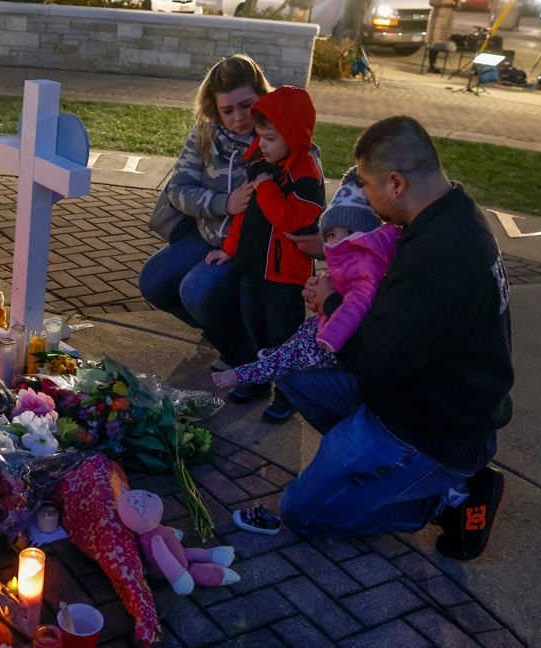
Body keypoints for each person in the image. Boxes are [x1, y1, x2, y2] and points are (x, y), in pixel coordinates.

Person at [257, 116, 513, 561]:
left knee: (302, 511)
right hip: (413, 389)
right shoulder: (450, 213)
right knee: (296, 369)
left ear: (396, 183)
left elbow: (374, 356)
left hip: (432, 429)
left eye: (370, 187)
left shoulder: (441, 257)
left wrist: (333, 302)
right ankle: (373, 471)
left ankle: (450, 496)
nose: (369, 202)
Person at [139, 55, 272, 400]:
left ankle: (247, 359)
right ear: (215, 108)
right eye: (228, 110)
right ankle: (221, 333)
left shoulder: (276, 135)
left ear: (262, 94)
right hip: (206, 235)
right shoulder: (205, 133)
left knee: (196, 291)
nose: (239, 117)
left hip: (248, 248)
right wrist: (222, 204)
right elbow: (178, 191)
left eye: (246, 105)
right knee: (153, 280)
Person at [213, 167, 398, 394]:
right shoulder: (353, 258)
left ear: (368, 233)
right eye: (331, 234)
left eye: (348, 231)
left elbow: (357, 305)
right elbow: (341, 286)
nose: (338, 239)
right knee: (300, 334)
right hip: (329, 324)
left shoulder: (365, 266)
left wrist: (330, 339)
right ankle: (278, 356)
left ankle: (244, 374)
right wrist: (320, 286)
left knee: (293, 355)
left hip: (338, 342)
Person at [205, 85, 324, 422]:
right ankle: (258, 380)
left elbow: (289, 218)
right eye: (261, 137)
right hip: (252, 268)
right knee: (254, 327)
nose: (263, 145)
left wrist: (266, 184)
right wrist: (230, 249)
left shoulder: (305, 174)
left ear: (292, 134)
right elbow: (246, 213)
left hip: (285, 278)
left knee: (282, 337)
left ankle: (289, 393)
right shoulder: (262, 165)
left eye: (270, 139)